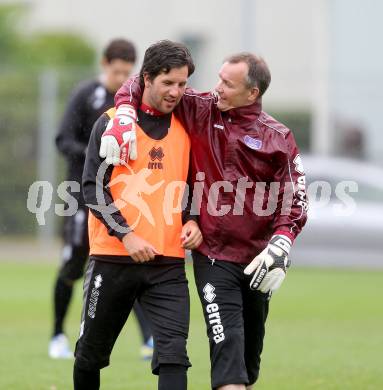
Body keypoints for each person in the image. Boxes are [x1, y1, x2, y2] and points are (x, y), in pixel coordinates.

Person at [101, 52, 308, 389]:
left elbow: (295, 197)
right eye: (219, 78)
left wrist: (282, 239)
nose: (217, 88)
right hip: (212, 255)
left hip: (257, 258)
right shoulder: (200, 107)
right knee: (227, 352)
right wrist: (124, 111)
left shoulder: (277, 137)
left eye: (228, 83)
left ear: (252, 93)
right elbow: (142, 82)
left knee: (246, 363)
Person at [74, 40, 202, 390]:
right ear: (146, 79)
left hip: (168, 263)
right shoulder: (112, 123)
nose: (176, 92)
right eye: (168, 83)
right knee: (89, 355)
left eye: (182, 84)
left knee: (174, 356)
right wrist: (126, 234)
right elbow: (92, 189)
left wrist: (192, 220)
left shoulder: (186, 128)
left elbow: (193, 186)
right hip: (111, 259)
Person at [51, 38, 153, 360]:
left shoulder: (134, 102)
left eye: (128, 72)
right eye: (117, 70)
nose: (122, 78)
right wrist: (97, 152)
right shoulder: (87, 94)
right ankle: (57, 335)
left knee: (130, 256)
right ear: (104, 63)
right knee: (74, 260)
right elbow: (63, 139)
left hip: (123, 198)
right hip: (82, 194)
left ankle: (148, 338)